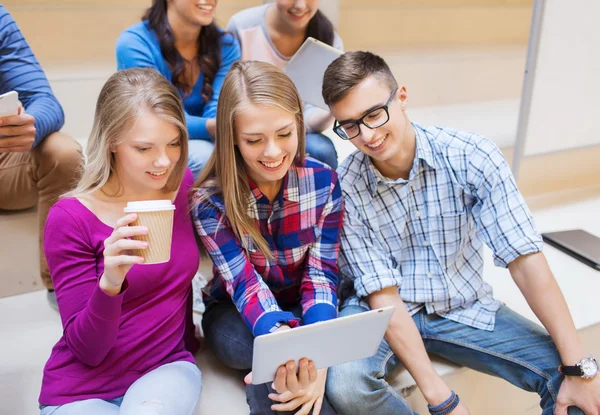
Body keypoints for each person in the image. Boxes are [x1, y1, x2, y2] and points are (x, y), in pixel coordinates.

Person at [321, 51, 600, 415]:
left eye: (374, 114)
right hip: (380, 311)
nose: (368, 135)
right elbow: (382, 296)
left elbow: (524, 258)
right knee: (346, 385)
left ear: (401, 97)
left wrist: (578, 367)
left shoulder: (471, 155)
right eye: (351, 126)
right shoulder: (346, 184)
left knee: (575, 386)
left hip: (461, 305)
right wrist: (442, 398)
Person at [38, 68, 202, 414]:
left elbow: (176, 286)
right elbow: (87, 350)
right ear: (111, 141)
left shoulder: (182, 184)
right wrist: (110, 283)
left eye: (173, 143)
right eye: (144, 148)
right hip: (81, 388)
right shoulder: (70, 218)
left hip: (165, 367)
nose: (164, 161)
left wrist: (191, 341)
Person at [192, 60, 342, 414]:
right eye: (254, 140)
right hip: (237, 311)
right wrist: (283, 341)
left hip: (301, 303)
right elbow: (244, 285)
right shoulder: (210, 202)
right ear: (232, 139)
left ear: (300, 126)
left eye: (285, 134)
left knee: (282, 369)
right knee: (258, 352)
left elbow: (322, 274)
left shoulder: (324, 182)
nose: (273, 152)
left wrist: (316, 345)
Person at [0, 5, 83, 307]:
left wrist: (28, 128)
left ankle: (62, 287)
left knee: (63, 152)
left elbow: (45, 100)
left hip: (4, 162)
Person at [116, 0, 240, 178]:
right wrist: (215, 127)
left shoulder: (226, 45)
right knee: (204, 156)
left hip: (209, 139)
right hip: (153, 141)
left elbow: (219, 107)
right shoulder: (134, 43)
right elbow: (159, 116)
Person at [227, 0, 341, 169]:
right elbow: (229, 96)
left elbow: (313, 112)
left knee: (321, 150)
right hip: (251, 129)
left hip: (298, 131)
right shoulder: (242, 26)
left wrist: (332, 109)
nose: (300, 6)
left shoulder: (328, 38)